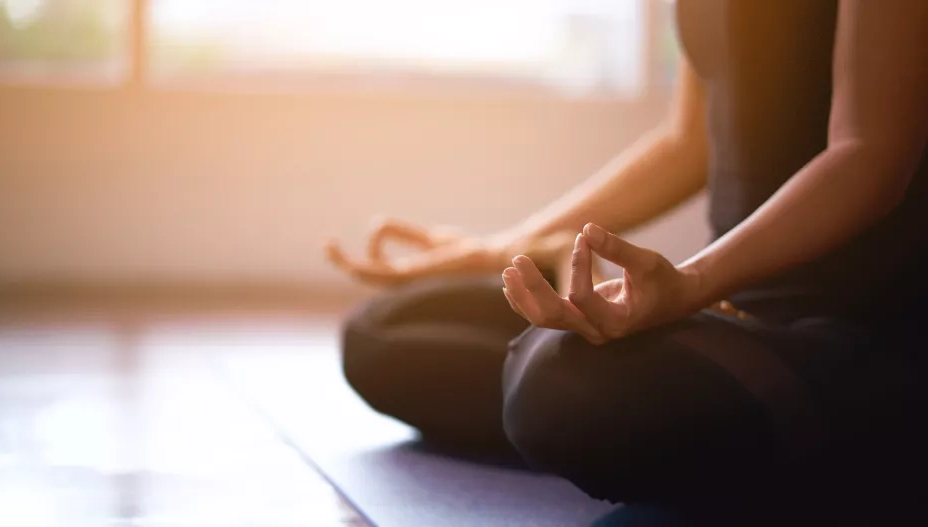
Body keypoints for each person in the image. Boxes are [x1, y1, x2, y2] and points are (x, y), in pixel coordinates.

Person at [326, 1, 928, 524]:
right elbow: (686, 143)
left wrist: (691, 282)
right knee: (381, 336)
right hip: (727, 310)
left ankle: (827, 438)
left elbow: (867, 153)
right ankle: (693, 434)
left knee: (560, 384)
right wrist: (510, 245)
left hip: (848, 330)